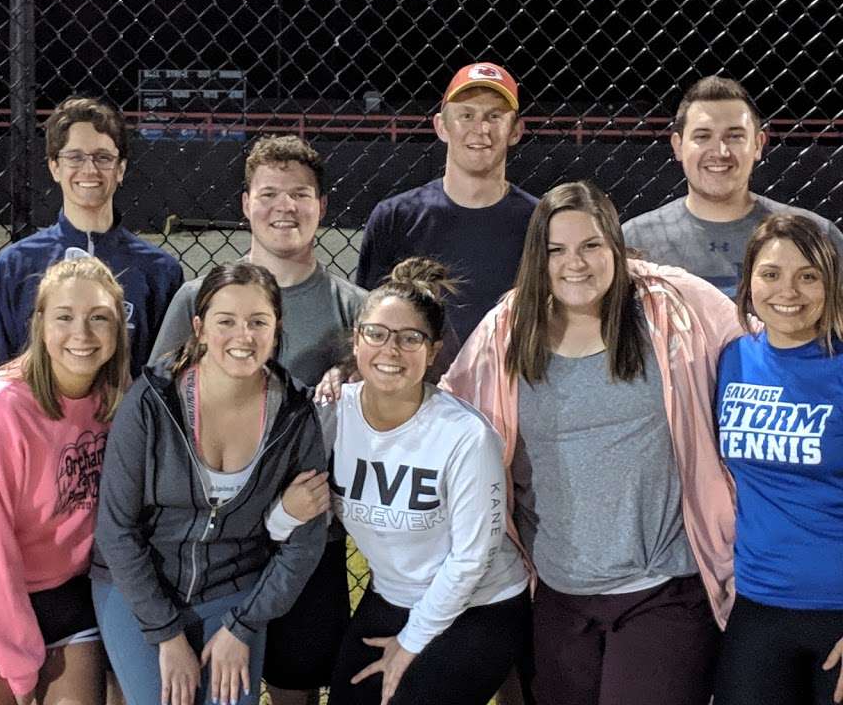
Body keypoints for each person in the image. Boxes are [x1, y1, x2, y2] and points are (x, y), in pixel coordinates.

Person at [441, 180, 743, 705]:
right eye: (556, 250)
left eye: (590, 246)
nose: (573, 264)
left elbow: (759, 344)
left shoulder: (672, 306)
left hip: (664, 585)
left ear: (615, 247)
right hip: (558, 591)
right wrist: (352, 382)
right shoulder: (509, 329)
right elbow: (448, 410)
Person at [149, 134, 365, 705]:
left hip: (306, 536)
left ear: (321, 205)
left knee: (295, 682)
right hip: (215, 541)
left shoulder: (355, 308)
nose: (284, 207)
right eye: (269, 193)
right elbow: (158, 413)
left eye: (300, 194)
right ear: (245, 204)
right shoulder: (200, 298)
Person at [270, 257, 532, 705]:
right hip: (391, 596)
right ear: (356, 341)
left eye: (410, 338)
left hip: (481, 604)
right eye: (377, 334)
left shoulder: (465, 436)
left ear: (431, 352)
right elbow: (280, 516)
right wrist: (283, 516)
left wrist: (410, 643)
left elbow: (471, 560)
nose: (391, 350)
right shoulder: (331, 416)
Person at [93, 263, 328, 705]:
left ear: (276, 329)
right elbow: (116, 530)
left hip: (234, 591)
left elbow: (305, 541)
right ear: (199, 328)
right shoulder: (152, 401)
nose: (243, 336)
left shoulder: (295, 414)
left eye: (258, 322)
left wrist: (242, 626)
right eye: (226, 322)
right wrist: (166, 634)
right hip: (142, 586)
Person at [0, 256, 128, 705]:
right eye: (64, 317)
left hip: (62, 585)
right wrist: (20, 668)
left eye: (99, 318)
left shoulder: (116, 402)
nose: (82, 334)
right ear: (39, 323)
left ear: (118, 330)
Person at [714, 214, 843, 705]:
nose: (787, 290)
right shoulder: (734, 360)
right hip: (759, 606)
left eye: (808, 275)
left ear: (830, 283)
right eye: (771, 274)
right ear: (748, 283)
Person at [0, 96, 183, 385]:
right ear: (54, 167)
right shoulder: (14, 267)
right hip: (32, 428)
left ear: (120, 169)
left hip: (123, 428)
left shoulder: (160, 271)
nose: (89, 170)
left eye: (103, 157)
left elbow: (166, 381)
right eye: (74, 157)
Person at [356, 62, 537, 376]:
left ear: (515, 130)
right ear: (441, 126)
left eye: (494, 116)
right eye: (466, 115)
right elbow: (369, 321)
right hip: (417, 398)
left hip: (512, 391)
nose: (480, 128)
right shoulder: (396, 217)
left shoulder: (540, 221)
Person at [623, 75, 843, 297]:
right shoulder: (635, 240)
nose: (720, 152)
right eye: (702, 136)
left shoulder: (817, 235)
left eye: (735, 136)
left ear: (758, 144)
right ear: (678, 146)